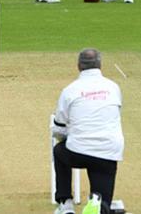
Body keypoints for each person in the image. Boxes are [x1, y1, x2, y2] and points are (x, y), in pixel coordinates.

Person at [51, 49, 124, 214]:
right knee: (101, 206)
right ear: (100, 65)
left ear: (78, 66)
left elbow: (59, 127)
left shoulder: (70, 90)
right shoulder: (113, 87)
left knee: (59, 151)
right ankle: (99, 204)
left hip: (78, 151)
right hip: (108, 153)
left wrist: (68, 136)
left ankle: (65, 203)